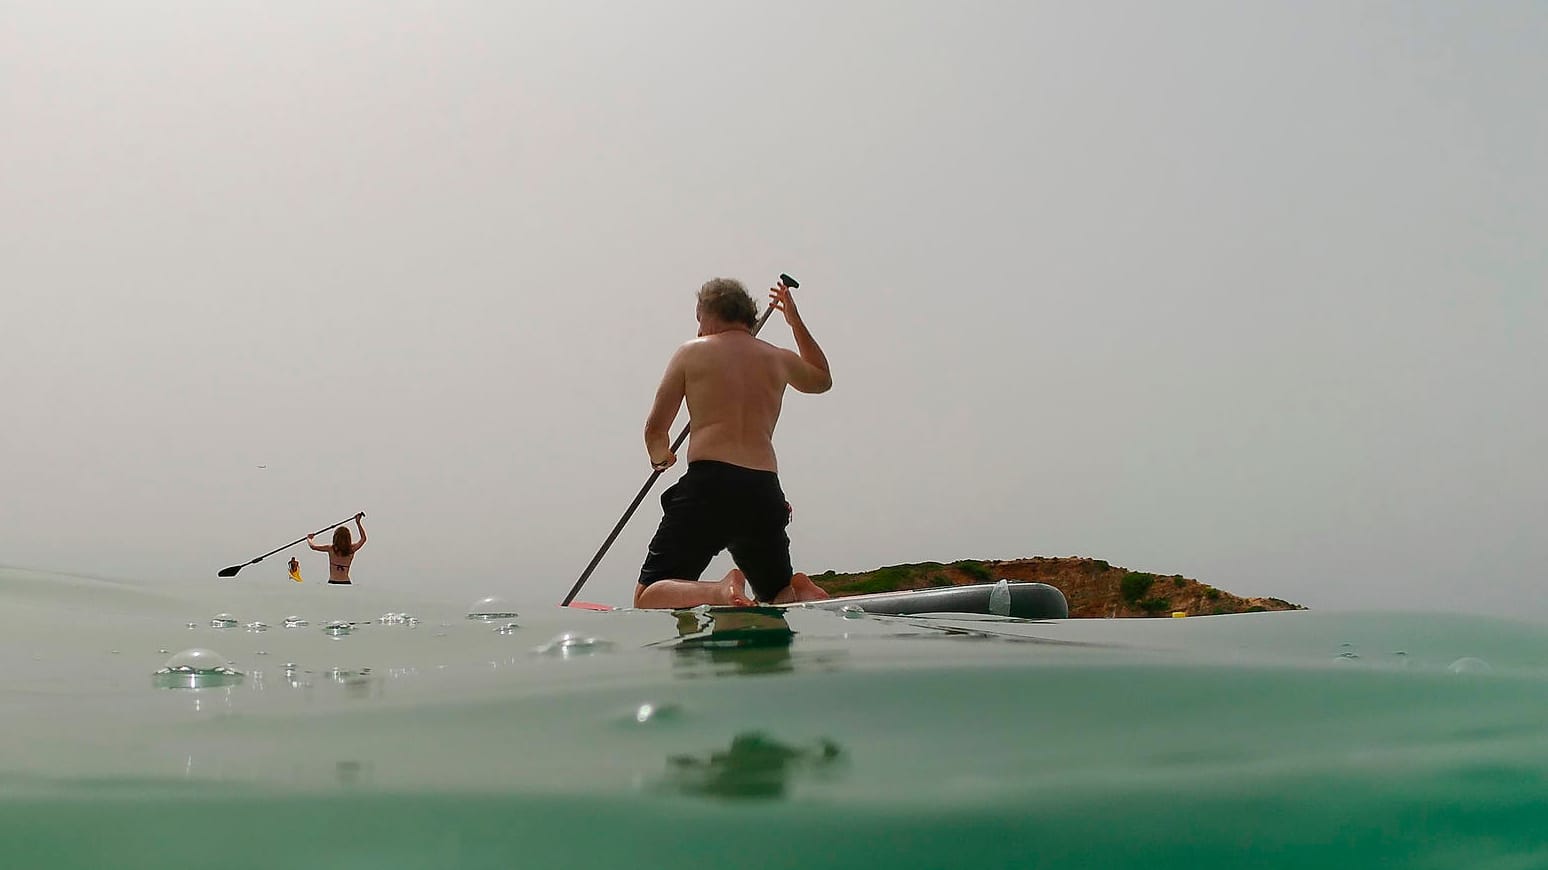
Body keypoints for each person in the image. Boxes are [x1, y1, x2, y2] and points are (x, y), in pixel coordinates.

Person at [634, 277, 833, 609]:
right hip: (763, 491)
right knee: (774, 598)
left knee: (649, 594)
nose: (699, 330)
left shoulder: (691, 353)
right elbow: (822, 379)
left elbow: (655, 430)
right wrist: (794, 320)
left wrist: (662, 457)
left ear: (710, 314)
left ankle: (718, 591)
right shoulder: (779, 359)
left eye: (699, 320)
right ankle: (795, 590)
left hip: (709, 487)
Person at [308, 513, 366, 585]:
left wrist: (309, 539)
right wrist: (358, 523)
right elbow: (363, 539)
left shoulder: (330, 549)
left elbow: (313, 547)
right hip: (346, 582)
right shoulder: (351, 549)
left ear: (335, 537)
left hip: (332, 582)